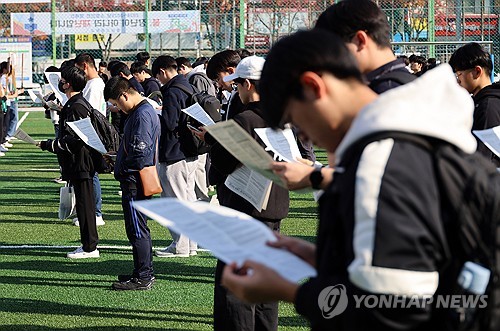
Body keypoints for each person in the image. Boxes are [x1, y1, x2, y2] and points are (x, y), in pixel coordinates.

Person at [221, 28, 477, 331]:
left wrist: (288, 291)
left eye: (295, 120)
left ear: (313, 87)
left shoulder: (380, 159)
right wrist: (318, 258)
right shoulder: (401, 141)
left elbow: (392, 310)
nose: (303, 136)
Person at [275, 0, 417, 192]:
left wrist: (315, 177)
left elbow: (386, 180)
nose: (328, 63)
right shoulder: (395, 85)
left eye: (333, 51)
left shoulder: (385, 94)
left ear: (359, 41)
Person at [207, 55, 290, 331]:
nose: (237, 91)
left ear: (247, 84)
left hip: (245, 212)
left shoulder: (244, 120)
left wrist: (211, 139)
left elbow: (222, 164)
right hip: (273, 210)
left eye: (238, 86)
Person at [104, 76, 160, 291]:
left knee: (137, 229)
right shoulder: (140, 111)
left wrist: (123, 163)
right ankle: (141, 271)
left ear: (125, 95)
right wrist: (118, 156)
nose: (118, 108)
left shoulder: (142, 114)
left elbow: (141, 151)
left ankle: (144, 276)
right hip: (133, 177)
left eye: (117, 104)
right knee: (135, 228)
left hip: (135, 180)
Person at [38, 66, 100, 259]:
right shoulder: (75, 104)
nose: (60, 83)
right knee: (83, 204)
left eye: (63, 81)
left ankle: (89, 247)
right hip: (79, 162)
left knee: (85, 205)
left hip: (81, 162)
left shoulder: (77, 106)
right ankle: (88, 245)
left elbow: (77, 138)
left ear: (69, 84)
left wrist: (51, 145)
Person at [152, 55, 198, 258]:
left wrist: (155, 114)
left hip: (174, 151)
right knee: (188, 199)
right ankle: (190, 245)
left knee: (175, 200)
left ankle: (180, 245)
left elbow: (170, 123)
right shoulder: (187, 85)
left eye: (158, 76)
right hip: (189, 150)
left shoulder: (172, 90)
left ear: (162, 72)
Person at [449, 42, 500, 166]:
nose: (457, 81)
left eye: (459, 75)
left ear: (477, 72)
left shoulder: (488, 106)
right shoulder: (481, 101)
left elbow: (483, 157)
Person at [74, 53, 105, 227]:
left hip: (92, 134)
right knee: (91, 174)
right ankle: (93, 211)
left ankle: (96, 213)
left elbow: (89, 113)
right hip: (91, 134)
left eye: (79, 70)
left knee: (91, 175)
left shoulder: (94, 85)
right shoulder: (94, 84)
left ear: (85, 66)